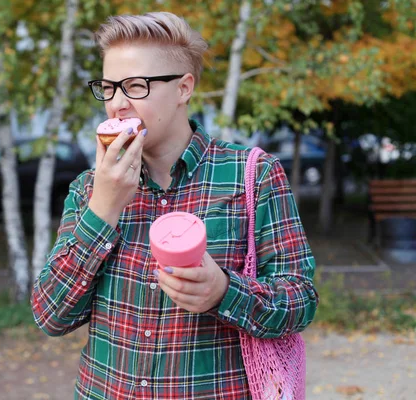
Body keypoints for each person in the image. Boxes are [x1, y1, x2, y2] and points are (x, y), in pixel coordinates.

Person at [31, 11, 318, 399]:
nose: (117, 104)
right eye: (109, 87)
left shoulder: (253, 175)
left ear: (184, 88)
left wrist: (224, 292)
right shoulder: (89, 189)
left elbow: (300, 301)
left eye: (135, 86)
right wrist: (104, 209)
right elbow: (51, 316)